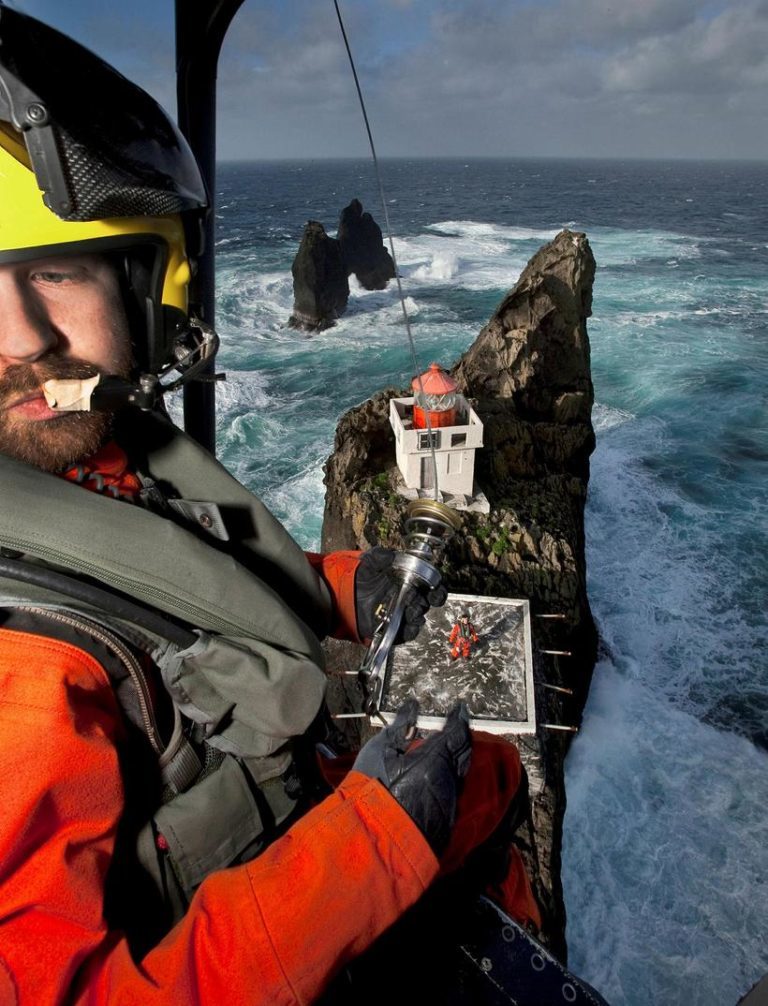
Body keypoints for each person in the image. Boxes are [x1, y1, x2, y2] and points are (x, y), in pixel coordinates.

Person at [0, 8, 540, 1004]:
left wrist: (350, 584)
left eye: (57, 271)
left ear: (146, 289)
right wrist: (378, 834)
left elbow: (202, 581)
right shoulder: (18, 675)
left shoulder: (106, 457)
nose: (23, 338)